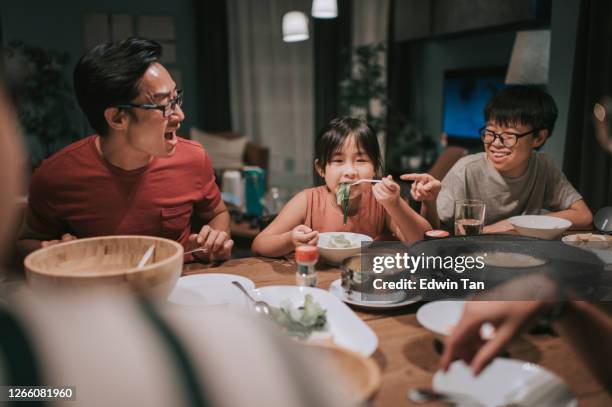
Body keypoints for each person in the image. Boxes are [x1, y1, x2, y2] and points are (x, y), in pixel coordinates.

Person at [17, 37, 232, 262]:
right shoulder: (56, 176)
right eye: (164, 105)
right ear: (118, 118)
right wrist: (54, 251)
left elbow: (217, 213)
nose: (179, 115)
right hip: (99, 292)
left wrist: (215, 240)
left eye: (176, 98)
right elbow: (26, 241)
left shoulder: (193, 158)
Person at [411, 85, 593, 233]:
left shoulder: (543, 166)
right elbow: (433, 231)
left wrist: (513, 223)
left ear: (539, 138)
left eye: (509, 135)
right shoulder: (467, 170)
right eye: (490, 132)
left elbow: (584, 216)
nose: (495, 144)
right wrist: (429, 202)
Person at [252, 116, 432, 257]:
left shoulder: (383, 202)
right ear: (321, 169)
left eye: (360, 160)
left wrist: (396, 205)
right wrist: (290, 240)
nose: (350, 171)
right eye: (338, 160)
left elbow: (425, 243)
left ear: (375, 168)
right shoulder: (307, 201)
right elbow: (259, 244)